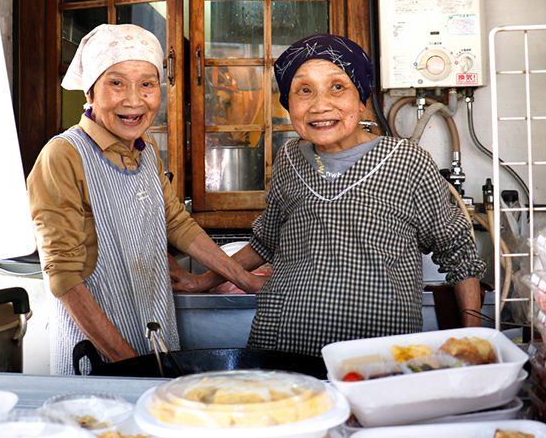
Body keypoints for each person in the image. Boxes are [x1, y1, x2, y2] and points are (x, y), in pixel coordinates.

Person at [195, 34, 486, 357]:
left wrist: (473, 340)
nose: (320, 105)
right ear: (288, 105)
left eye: (337, 87)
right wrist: (202, 282)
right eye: (304, 90)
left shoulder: (408, 162)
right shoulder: (289, 159)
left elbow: (459, 253)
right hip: (282, 345)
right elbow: (266, 243)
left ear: (361, 100)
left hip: (376, 357)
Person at [27, 24, 264, 375]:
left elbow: (176, 222)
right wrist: (131, 367)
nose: (134, 100)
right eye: (117, 83)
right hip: (99, 355)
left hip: (153, 333)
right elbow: (64, 277)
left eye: (147, 84)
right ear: (90, 92)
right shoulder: (63, 155)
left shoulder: (146, 148)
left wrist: (246, 281)